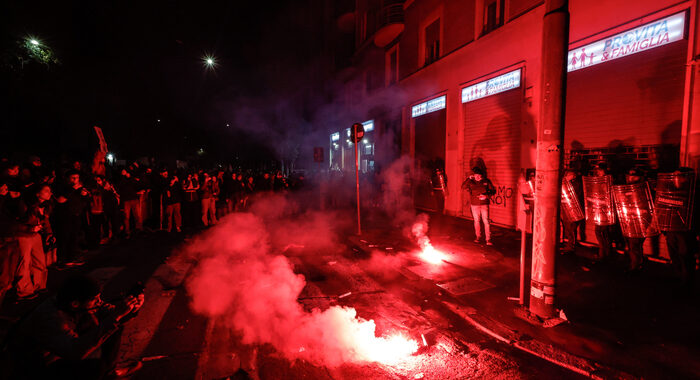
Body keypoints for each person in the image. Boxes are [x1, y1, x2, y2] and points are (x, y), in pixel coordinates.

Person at [7, 274, 144, 379]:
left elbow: (110, 312)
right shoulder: (52, 318)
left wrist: (132, 308)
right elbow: (75, 352)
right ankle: (106, 373)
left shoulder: (72, 301)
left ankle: (110, 372)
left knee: (113, 324)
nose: (99, 302)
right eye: (94, 299)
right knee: (96, 368)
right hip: (37, 366)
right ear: (75, 304)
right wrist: (115, 316)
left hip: (59, 350)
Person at [461, 167, 496, 245]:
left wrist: (486, 196)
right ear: (473, 175)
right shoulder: (471, 181)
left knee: (486, 221)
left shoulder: (486, 181)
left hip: (484, 204)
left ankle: (488, 239)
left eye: (479, 175)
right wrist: (468, 179)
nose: (477, 177)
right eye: (476, 175)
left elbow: (493, 191)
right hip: (474, 205)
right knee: (476, 221)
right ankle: (478, 237)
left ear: (481, 175)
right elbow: (463, 187)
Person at [560, 169, 585, 255]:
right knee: (569, 228)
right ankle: (572, 244)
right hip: (568, 209)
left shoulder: (575, 184)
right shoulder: (568, 184)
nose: (566, 177)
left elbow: (574, 196)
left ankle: (571, 246)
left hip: (573, 210)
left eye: (568, 175)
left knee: (571, 228)